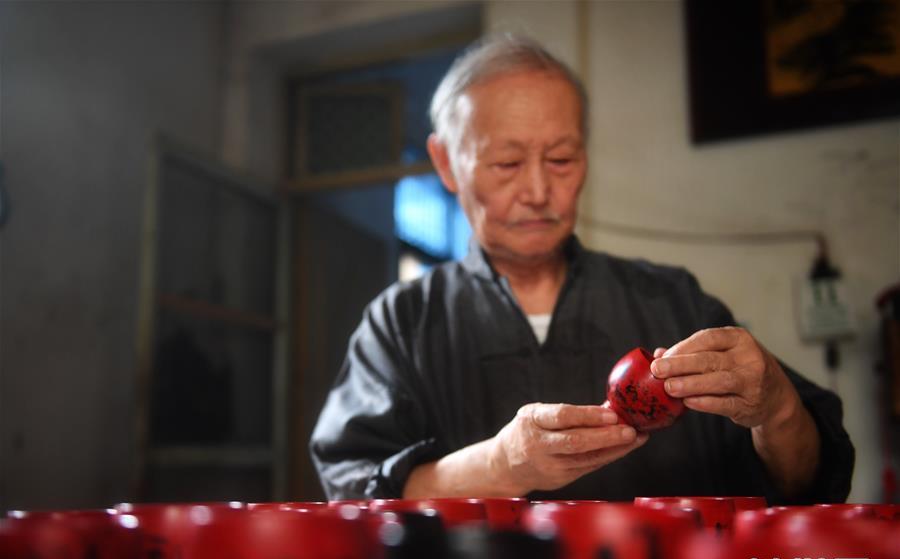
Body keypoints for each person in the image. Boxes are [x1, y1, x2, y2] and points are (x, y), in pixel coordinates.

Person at [309, 33, 854, 504]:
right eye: (507, 163)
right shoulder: (402, 323)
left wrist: (778, 409)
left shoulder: (672, 302)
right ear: (446, 163)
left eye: (562, 159)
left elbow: (805, 483)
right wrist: (501, 466)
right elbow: (353, 493)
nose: (538, 190)